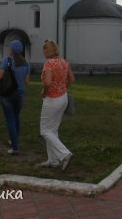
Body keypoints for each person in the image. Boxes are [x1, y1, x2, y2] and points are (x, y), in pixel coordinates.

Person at [39, 40, 74, 170]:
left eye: (45, 49)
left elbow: (47, 82)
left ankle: (65, 154)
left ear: (49, 50)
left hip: (52, 99)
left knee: (45, 130)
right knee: (53, 130)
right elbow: (72, 79)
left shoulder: (49, 64)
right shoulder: (64, 62)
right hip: (63, 98)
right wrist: (62, 87)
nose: (43, 51)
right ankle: (53, 160)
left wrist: (44, 92)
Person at [0, 40, 30, 155]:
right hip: (20, 95)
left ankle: (15, 147)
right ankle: (14, 139)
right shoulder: (26, 63)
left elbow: (0, 76)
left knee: (10, 119)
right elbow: (26, 82)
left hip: (7, 95)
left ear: (12, 49)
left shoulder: (7, 60)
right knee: (16, 117)